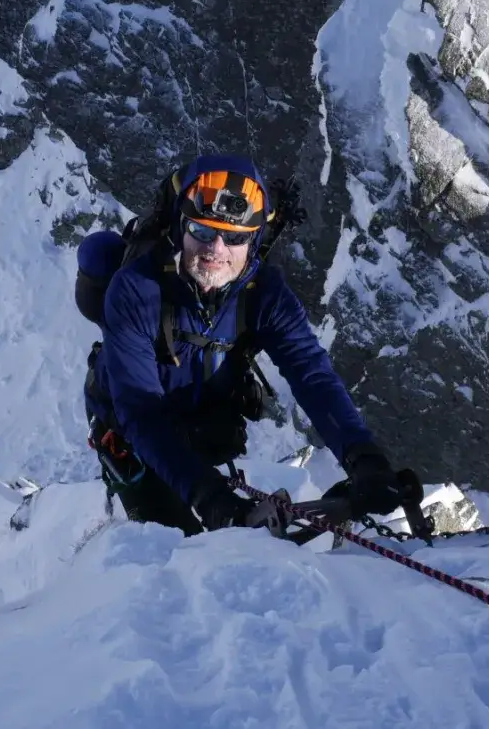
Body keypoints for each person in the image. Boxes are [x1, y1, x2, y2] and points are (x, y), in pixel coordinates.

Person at [81, 152, 420, 536]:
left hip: (198, 426)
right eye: (203, 232)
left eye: (235, 238)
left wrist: (363, 457)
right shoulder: (136, 290)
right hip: (134, 439)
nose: (216, 250)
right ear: (180, 229)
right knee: (174, 553)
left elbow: (312, 375)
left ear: (253, 239)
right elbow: (139, 411)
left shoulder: (264, 295)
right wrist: (210, 497)